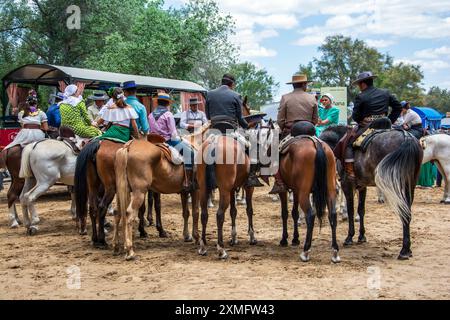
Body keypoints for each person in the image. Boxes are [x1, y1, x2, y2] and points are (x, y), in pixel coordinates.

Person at [342, 71, 402, 180]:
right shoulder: (386, 92)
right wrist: (390, 120)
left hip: (369, 125)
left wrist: (362, 120)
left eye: (359, 85)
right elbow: (398, 107)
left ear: (362, 84)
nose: (359, 87)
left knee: (349, 142)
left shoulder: (361, 96)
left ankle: (350, 170)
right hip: (386, 124)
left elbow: (355, 116)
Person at [206, 74, 263, 188]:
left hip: (213, 132)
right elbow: (240, 117)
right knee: (253, 145)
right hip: (230, 131)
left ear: (222, 82)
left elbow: (207, 115)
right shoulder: (236, 95)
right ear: (232, 84)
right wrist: (246, 126)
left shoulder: (209, 94)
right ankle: (251, 176)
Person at [269, 73, 319, 194]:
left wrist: (281, 128)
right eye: (306, 84)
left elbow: (280, 119)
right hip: (309, 131)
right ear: (304, 84)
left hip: (290, 132)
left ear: (294, 85)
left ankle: (279, 182)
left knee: (272, 151)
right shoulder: (312, 98)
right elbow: (315, 119)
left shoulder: (285, 97)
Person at [149, 93, 195, 192]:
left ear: (157, 102)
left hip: (153, 142)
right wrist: (180, 138)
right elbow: (173, 134)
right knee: (189, 153)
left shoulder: (150, 115)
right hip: (167, 141)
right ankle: (187, 181)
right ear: (167, 103)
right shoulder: (168, 114)